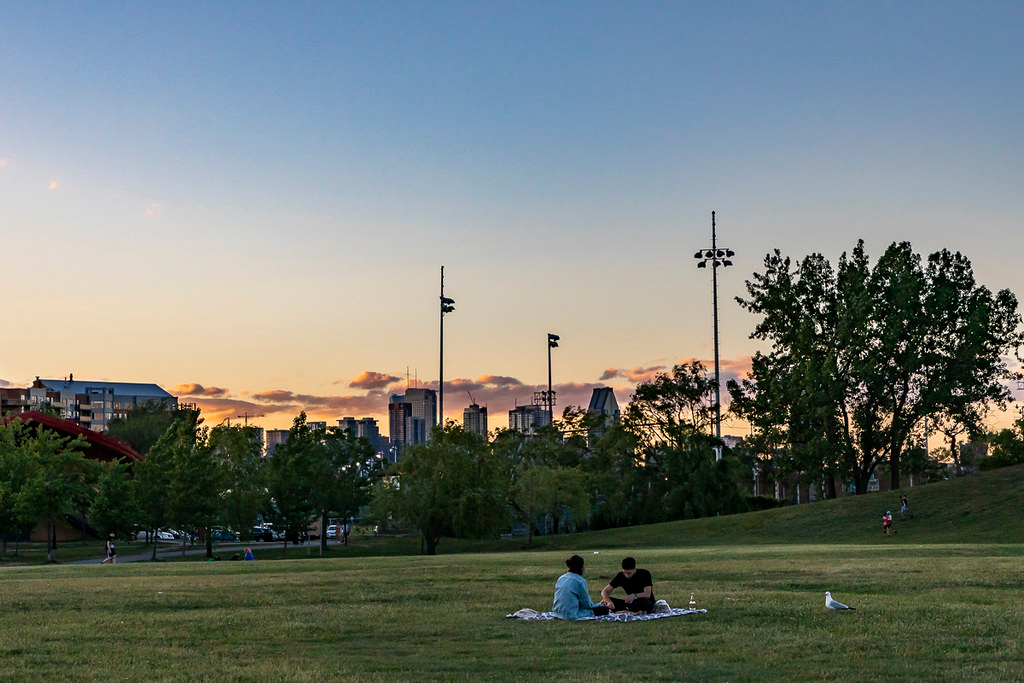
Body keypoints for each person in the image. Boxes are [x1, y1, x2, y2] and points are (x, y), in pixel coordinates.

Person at [552, 554, 609, 620]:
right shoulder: (580, 581)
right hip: (571, 614)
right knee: (604, 610)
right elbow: (587, 604)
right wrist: (600, 605)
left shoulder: (561, 578)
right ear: (581, 567)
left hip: (557, 613)